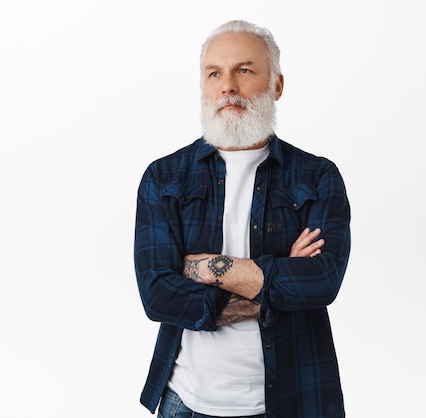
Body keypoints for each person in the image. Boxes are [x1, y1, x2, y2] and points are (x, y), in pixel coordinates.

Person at [134, 19, 351, 418]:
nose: (227, 86)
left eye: (244, 70)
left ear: (277, 86)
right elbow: (156, 294)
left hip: (294, 400)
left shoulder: (318, 177)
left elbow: (322, 280)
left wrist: (196, 267)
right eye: (214, 73)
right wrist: (280, 277)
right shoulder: (164, 178)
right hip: (186, 402)